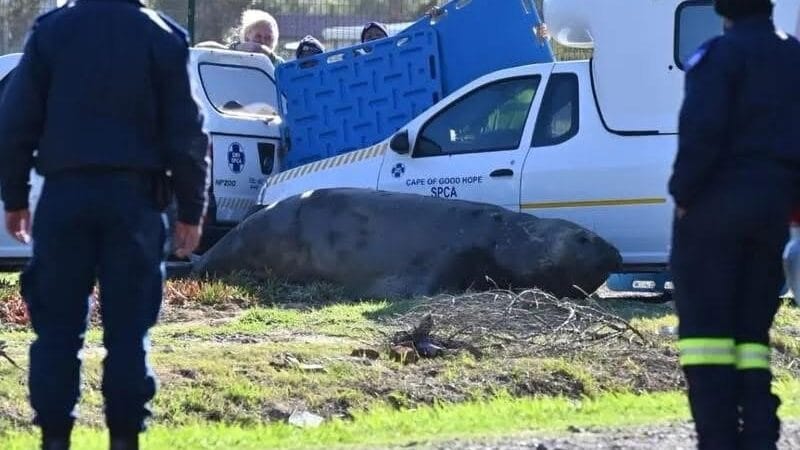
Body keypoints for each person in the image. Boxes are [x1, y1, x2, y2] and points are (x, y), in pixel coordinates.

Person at [0, 0, 211, 449]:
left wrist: (15, 198)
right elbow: (188, 133)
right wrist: (192, 210)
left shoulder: (52, 32)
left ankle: (55, 439)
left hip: (64, 196)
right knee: (129, 333)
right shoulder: (162, 36)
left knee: (56, 330)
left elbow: (15, 122)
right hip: (135, 202)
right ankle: (124, 439)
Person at [668, 0, 800, 449]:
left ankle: (719, 439)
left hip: (713, 212)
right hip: (772, 214)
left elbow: (702, 131)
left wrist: (684, 194)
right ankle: (760, 434)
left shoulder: (717, 57)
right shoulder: (793, 56)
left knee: (706, 335)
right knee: (751, 333)